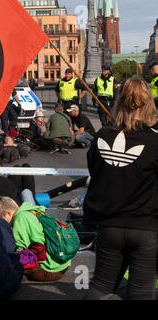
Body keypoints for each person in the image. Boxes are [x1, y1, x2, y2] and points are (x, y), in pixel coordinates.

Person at [83, 77, 158, 300]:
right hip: (146, 226)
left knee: (101, 285)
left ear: (119, 102)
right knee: (141, 292)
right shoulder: (155, 141)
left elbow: (95, 171)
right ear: (149, 104)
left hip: (109, 225)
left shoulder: (101, 136)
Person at [0, 197, 71, 282]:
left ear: (8, 214)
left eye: (1, 219)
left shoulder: (20, 218)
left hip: (49, 271)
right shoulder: (32, 210)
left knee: (5, 262)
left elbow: (18, 248)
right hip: (62, 265)